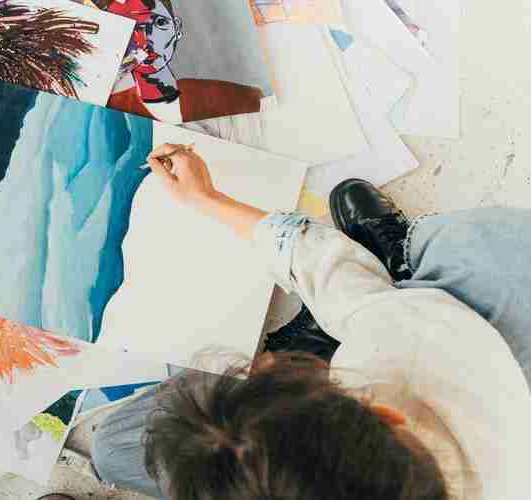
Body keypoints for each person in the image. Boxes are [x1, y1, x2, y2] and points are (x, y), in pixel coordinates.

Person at [67, 145, 530, 500]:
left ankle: (356, 305)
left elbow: (329, 269)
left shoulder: (391, 350)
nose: (262, 363)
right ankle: (398, 256)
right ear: (387, 413)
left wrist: (205, 199)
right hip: (490, 340)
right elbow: (329, 268)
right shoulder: (413, 343)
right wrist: (208, 198)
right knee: (493, 252)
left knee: (117, 448)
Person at [101, 0, 264, 123]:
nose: (146, 40)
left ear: (177, 28)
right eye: (132, 28)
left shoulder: (234, 97)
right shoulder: (108, 110)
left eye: (159, 23)